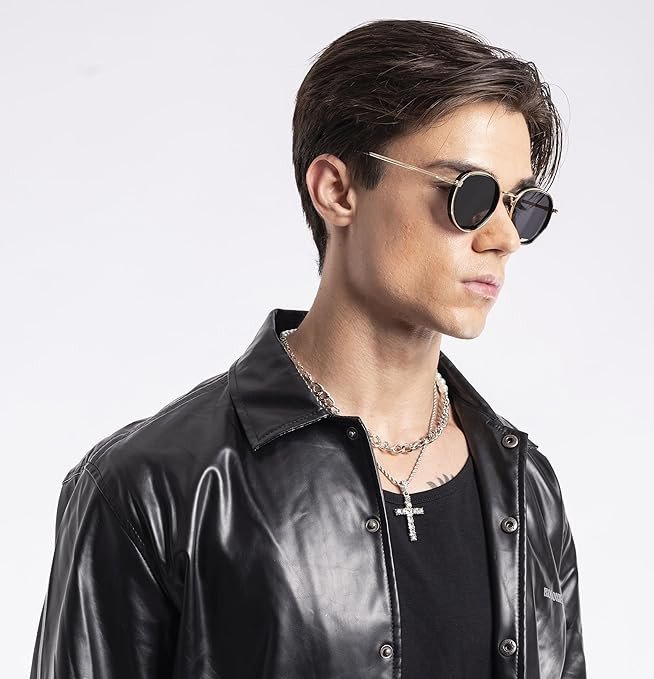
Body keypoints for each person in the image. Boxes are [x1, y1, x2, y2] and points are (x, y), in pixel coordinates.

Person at [30, 18, 586, 679]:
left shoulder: (526, 489)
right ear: (337, 190)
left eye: (522, 206)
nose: (504, 239)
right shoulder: (150, 488)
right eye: (469, 195)